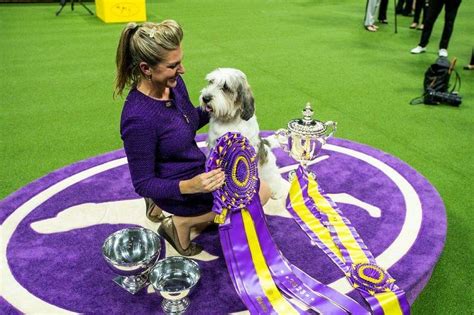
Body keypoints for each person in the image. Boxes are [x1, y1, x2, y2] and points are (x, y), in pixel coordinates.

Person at [115, 20, 272, 256]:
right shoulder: (138, 118)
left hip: (197, 168)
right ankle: (180, 223)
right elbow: (142, 183)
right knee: (259, 193)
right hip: (179, 186)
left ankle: (168, 208)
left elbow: (187, 121)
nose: (182, 70)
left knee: (249, 185)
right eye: (173, 65)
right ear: (147, 69)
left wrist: (228, 104)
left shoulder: (174, 84)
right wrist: (191, 186)